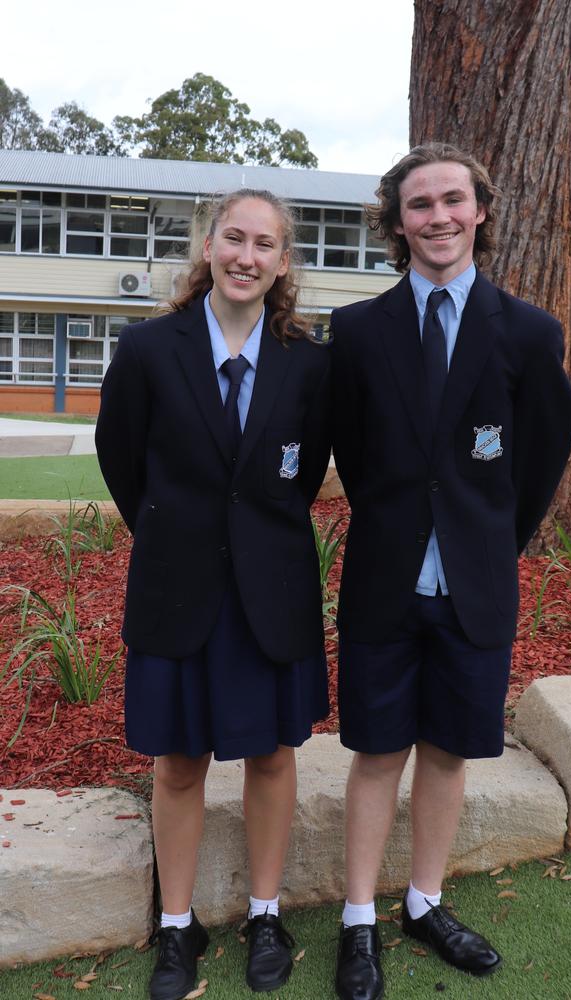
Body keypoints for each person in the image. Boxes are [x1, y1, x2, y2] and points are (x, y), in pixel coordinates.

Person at [330, 142, 571, 999]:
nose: (437, 217)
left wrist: (480, 542)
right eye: (419, 204)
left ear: (480, 211)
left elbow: (539, 459)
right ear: (397, 223)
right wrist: (408, 523)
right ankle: (359, 917)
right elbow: (359, 458)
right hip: (384, 582)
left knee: (446, 753)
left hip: (476, 586)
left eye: (452, 201)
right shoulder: (358, 332)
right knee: (375, 752)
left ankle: (423, 903)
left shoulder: (529, 332)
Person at [95, 188, 331, 1000]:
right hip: (176, 588)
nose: (246, 256)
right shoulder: (149, 350)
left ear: (283, 261)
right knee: (180, 763)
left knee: (271, 754)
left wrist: (249, 542)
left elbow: (297, 480)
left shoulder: (308, 361)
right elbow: (124, 466)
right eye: (234, 237)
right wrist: (181, 534)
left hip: (273, 591)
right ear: (209, 246)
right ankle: (176, 925)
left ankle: (266, 913)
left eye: (265, 244)